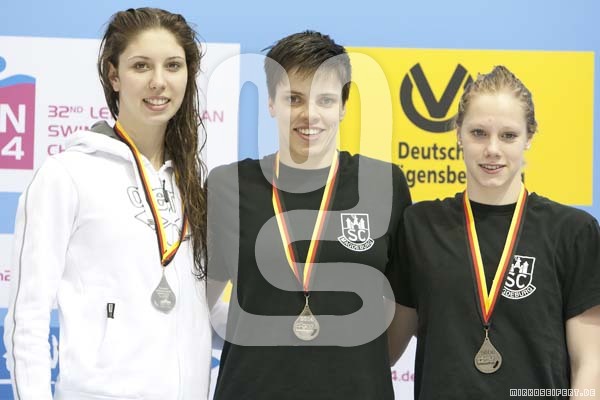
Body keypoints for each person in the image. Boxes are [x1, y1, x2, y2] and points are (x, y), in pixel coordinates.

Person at [4, 8, 211, 400]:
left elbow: (206, 312)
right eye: (141, 66)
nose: (159, 81)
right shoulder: (67, 174)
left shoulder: (191, 184)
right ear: (114, 76)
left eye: (172, 65)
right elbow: (27, 318)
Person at [207, 31, 412, 399]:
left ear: (343, 106)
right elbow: (197, 301)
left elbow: (406, 304)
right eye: (294, 98)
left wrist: (363, 365)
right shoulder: (229, 186)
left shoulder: (383, 184)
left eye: (325, 99)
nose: (309, 114)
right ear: (272, 102)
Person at [389, 65, 600, 399]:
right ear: (458, 133)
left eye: (508, 135)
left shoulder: (572, 232)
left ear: (529, 137)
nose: (492, 149)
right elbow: (386, 351)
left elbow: (590, 363)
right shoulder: (420, 227)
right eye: (478, 133)